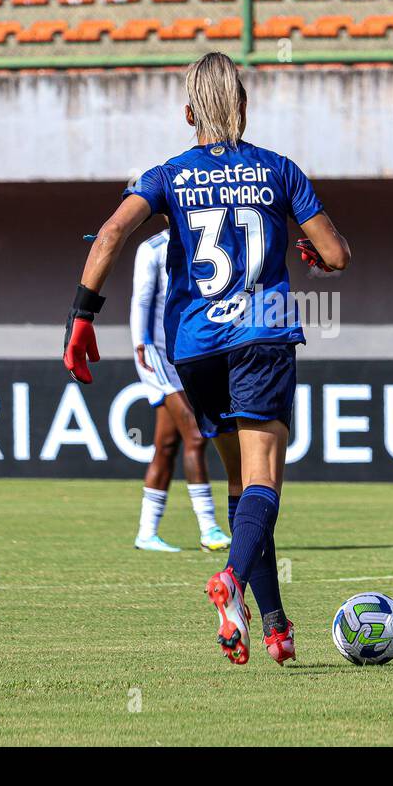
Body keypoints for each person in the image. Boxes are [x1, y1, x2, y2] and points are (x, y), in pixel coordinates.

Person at [62, 52, 351, 666]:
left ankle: (272, 624)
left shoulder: (167, 175)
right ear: (243, 108)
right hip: (261, 335)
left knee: (241, 484)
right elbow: (336, 254)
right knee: (265, 481)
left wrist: (82, 318)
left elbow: (110, 234)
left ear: (188, 113)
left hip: (193, 346)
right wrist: (313, 250)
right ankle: (232, 583)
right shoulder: (279, 171)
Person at [129, 227, 231, 553]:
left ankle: (146, 532)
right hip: (156, 354)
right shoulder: (153, 247)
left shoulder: (201, 241)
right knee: (197, 435)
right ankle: (209, 528)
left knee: (167, 444)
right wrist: (140, 343)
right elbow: (142, 299)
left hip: (186, 353)